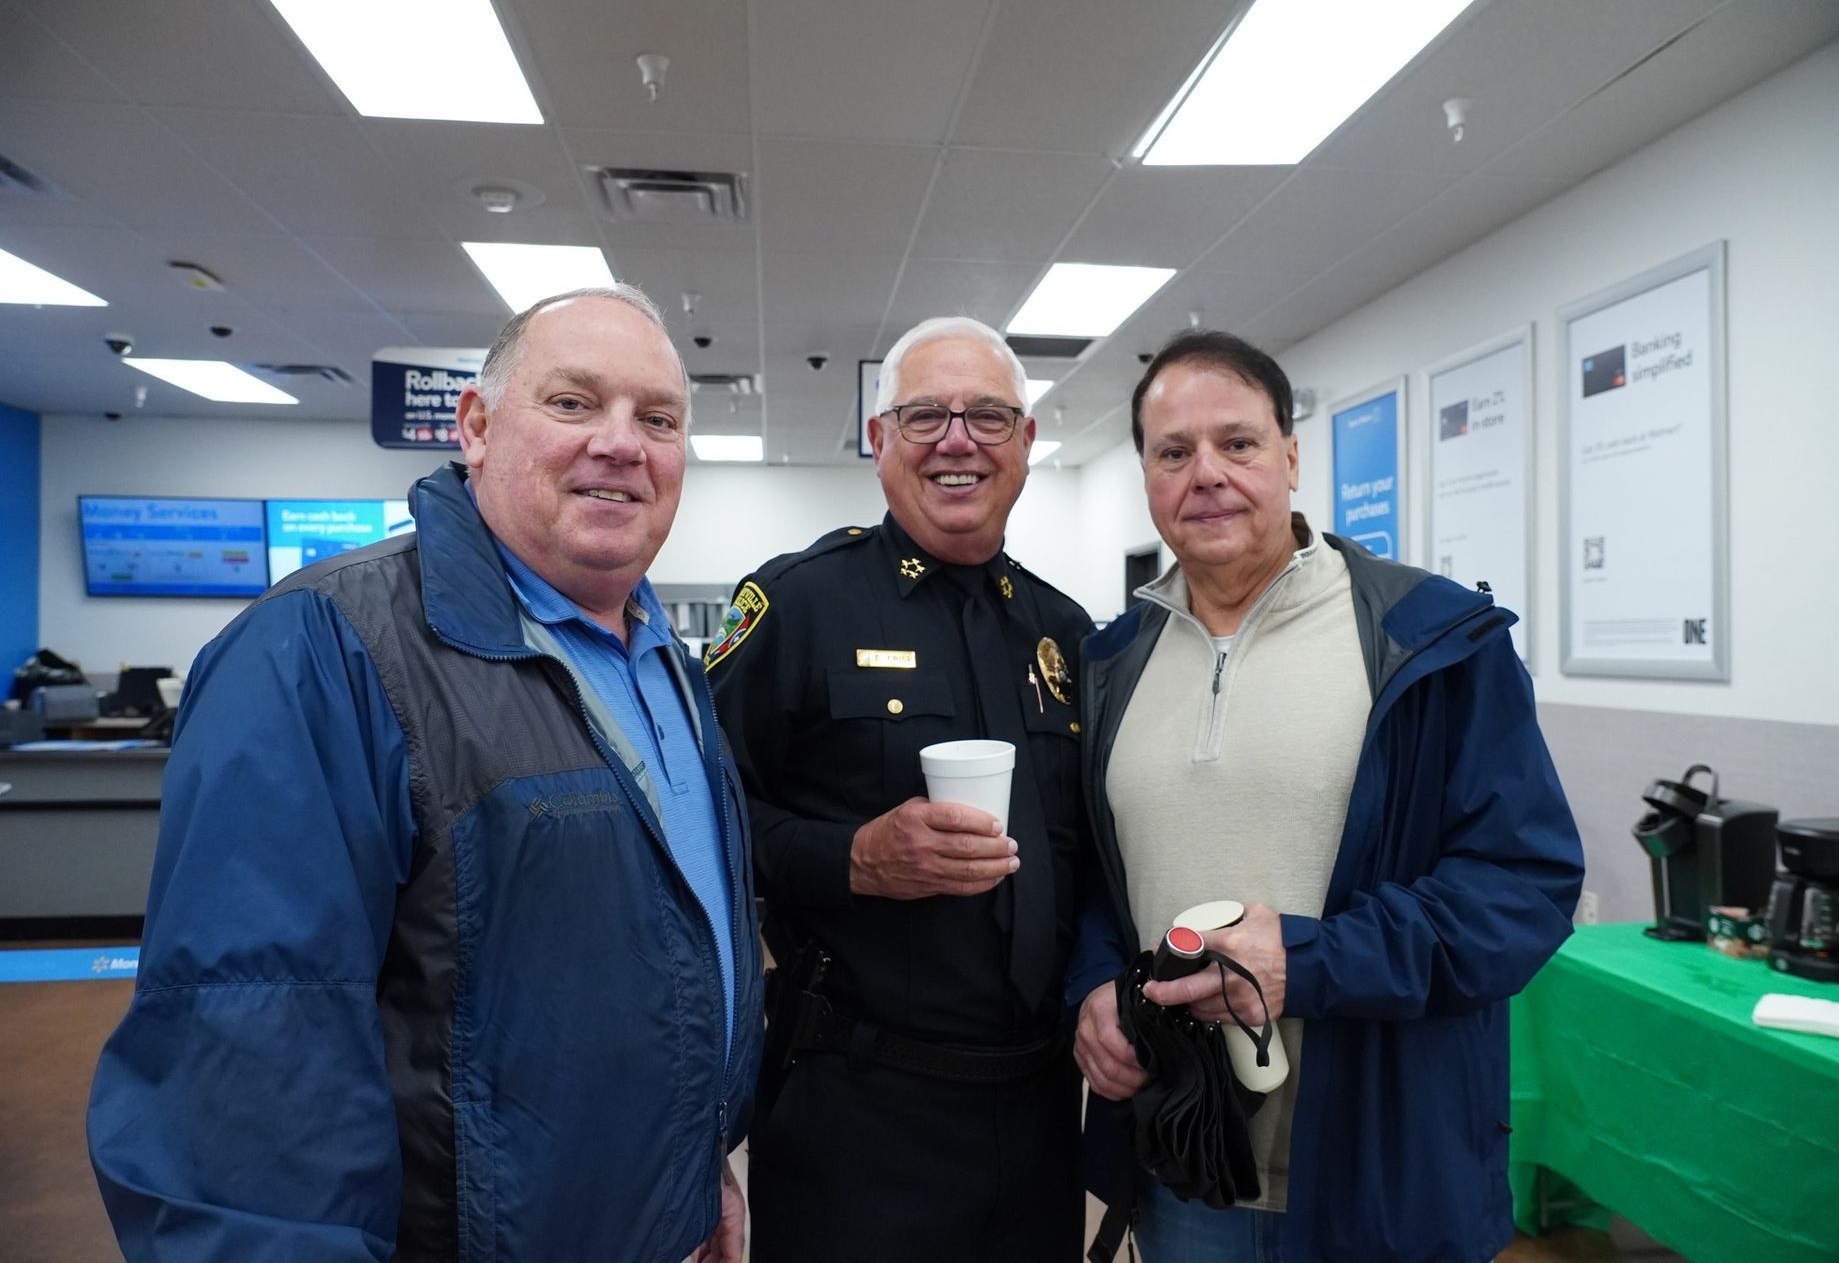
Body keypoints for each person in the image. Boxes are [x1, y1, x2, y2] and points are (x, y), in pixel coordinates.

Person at [87, 284, 759, 1263]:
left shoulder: (668, 664)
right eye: (574, 402)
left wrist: (698, 1166)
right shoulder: (326, 650)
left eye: (657, 418)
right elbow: (249, 1068)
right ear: (477, 427)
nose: (622, 442)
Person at [1070, 331, 1584, 1262]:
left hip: (1385, 1164)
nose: (1208, 474)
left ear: (1292, 457)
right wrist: (1093, 989)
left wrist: (1308, 962)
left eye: (1239, 442)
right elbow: (1096, 878)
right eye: (1173, 452)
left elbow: (1525, 886)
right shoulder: (1112, 662)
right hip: (1193, 1160)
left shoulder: (1431, 643)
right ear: (1146, 475)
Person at [706, 316, 1093, 1262]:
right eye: (924, 416)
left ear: (1028, 445)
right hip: (860, 1114)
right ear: (878, 442)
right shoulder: (798, 604)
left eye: (989, 417)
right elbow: (698, 826)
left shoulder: (1066, 631)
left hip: (1040, 1114)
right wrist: (851, 860)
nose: (957, 440)